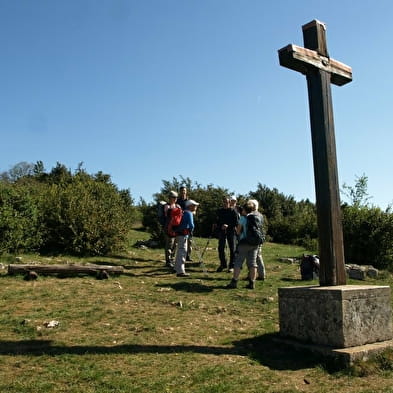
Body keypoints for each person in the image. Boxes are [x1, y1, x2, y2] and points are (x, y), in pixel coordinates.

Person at [226, 199, 263, 289]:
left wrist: (237, 230)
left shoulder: (243, 218)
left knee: (238, 262)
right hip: (255, 243)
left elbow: (238, 232)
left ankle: (234, 281)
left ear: (245, 210)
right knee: (252, 263)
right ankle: (252, 283)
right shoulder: (258, 217)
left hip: (244, 242)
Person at [174, 199, 199, 277]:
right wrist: (191, 231)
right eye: (194, 205)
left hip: (178, 233)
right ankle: (180, 271)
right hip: (183, 235)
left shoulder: (184, 212)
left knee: (179, 251)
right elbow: (191, 225)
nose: (196, 207)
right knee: (182, 252)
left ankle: (177, 268)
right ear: (190, 206)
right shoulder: (189, 213)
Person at [214, 197, 239, 272]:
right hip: (222, 231)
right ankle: (223, 264)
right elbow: (217, 221)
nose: (225, 204)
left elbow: (236, 223)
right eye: (224, 202)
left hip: (231, 231)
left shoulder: (233, 211)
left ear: (230, 202)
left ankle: (231, 266)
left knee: (232, 249)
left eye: (227, 202)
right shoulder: (219, 211)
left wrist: (228, 225)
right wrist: (219, 226)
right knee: (221, 248)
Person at [162, 190, 180, 268]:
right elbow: (168, 214)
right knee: (169, 244)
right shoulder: (167, 206)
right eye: (173, 197)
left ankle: (172, 259)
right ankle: (168, 261)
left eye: (176, 197)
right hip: (169, 228)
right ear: (170, 198)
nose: (175, 199)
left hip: (176, 228)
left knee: (175, 244)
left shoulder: (178, 206)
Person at [177, 185, 193, 262]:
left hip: (188, 223)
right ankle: (175, 256)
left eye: (184, 190)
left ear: (186, 191)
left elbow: (193, 210)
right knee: (179, 241)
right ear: (180, 192)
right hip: (180, 223)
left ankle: (188, 256)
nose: (183, 192)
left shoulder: (189, 201)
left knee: (189, 240)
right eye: (182, 191)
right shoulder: (178, 201)